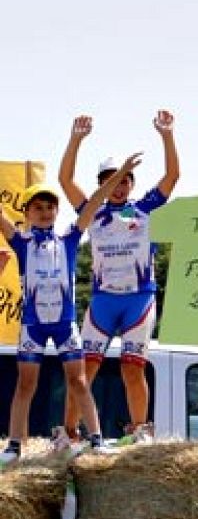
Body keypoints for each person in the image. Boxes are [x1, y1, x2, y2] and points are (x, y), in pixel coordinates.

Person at [0, 155, 139, 463]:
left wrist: (122, 173)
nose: (44, 212)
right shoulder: (21, 242)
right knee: (25, 385)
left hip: (65, 325)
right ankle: (13, 446)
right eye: (38, 207)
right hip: (33, 326)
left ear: (57, 211)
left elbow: (95, 202)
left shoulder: (69, 238)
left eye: (50, 207)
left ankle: (97, 439)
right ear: (26, 213)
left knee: (79, 382)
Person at [58, 111, 180, 445]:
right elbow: (65, 180)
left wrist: (167, 135)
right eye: (112, 180)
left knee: (132, 367)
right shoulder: (92, 211)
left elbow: (172, 176)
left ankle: (139, 430)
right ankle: (68, 432)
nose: (119, 186)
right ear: (102, 185)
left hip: (138, 299)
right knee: (84, 371)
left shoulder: (144, 208)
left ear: (132, 185)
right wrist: (76, 139)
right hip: (103, 300)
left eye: (125, 180)